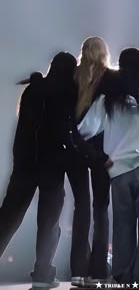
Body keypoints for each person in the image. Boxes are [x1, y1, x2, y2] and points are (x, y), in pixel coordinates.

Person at [77, 47, 139, 288]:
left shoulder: (108, 96)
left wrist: (98, 154)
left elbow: (86, 129)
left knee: (122, 227)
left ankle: (124, 278)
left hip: (118, 169)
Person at [0, 52, 78, 288]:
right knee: (49, 221)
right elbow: (67, 130)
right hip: (52, 165)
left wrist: (19, 160)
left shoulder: (32, 91)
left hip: (25, 164)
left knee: (8, 217)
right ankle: (43, 275)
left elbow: (22, 130)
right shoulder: (68, 92)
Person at [68, 36, 115, 288]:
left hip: (75, 149)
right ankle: (98, 270)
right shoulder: (109, 78)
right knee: (100, 209)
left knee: (81, 208)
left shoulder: (73, 77)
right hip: (100, 151)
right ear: (104, 53)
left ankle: (78, 271)